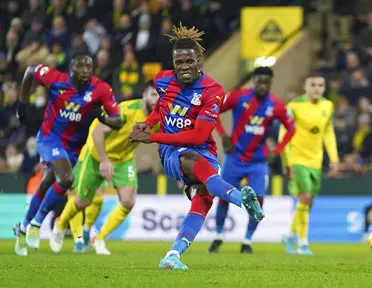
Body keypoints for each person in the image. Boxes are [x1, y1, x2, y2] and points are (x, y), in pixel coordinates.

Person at [129, 23, 264, 270]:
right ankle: (241, 200)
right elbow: (162, 107)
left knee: (203, 198)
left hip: (204, 148)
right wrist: (150, 123)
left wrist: (153, 137)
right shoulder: (162, 80)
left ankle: (173, 255)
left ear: (199, 59)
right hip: (172, 152)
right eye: (178, 62)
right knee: (190, 159)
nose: (183, 68)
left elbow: (198, 135)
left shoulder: (213, 91)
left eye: (188, 61)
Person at [13, 53, 122, 256]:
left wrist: (102, 117)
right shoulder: (55, 79)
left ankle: (22, 227)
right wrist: (23, 105)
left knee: (47, 183)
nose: (85, 71)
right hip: (49, 138)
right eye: (80, 67)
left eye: (89, 67)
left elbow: (118, 121)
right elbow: (29, 72)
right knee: (66, 178)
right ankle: (36, 224)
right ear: (71, 69)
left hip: (75, 147)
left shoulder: (101, 89)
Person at [49, 81, 159, 255]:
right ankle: (60, 224)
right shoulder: (126, 111)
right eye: (153, 94)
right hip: (96, 154)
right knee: (83, 200)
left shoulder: (159, 117)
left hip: (123, 158)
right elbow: (97, 132)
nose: (157, 98)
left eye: (160, 95)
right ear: (144, 94)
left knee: (128, 201)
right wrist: (104, 160)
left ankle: (98, 239)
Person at [207, 66, 296, 254]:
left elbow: (292, 128)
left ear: (271, 83)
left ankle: (247, 241)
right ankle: (219, 235)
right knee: (224, 196)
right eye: (259, 81)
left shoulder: (276, 105)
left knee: (259, 200)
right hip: (234, 158)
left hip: (258, 161)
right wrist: (223, 135)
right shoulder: (238, 97)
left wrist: (277, 150)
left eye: (266, 82)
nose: (262, 85)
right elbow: (212, 111)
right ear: (253, 81)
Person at [280, 72, 339, 255]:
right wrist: (287, 162)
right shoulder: (294, 107)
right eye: (313, 85)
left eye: (320, 85)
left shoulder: (328, 106)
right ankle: (303, 243)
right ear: (305, 87)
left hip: (316, 161)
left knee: (307, 202)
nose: (316, 89)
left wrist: (334, 159)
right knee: (305, 197)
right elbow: (284, 134)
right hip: (298, 159)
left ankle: (290, 235)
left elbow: (328, 133)